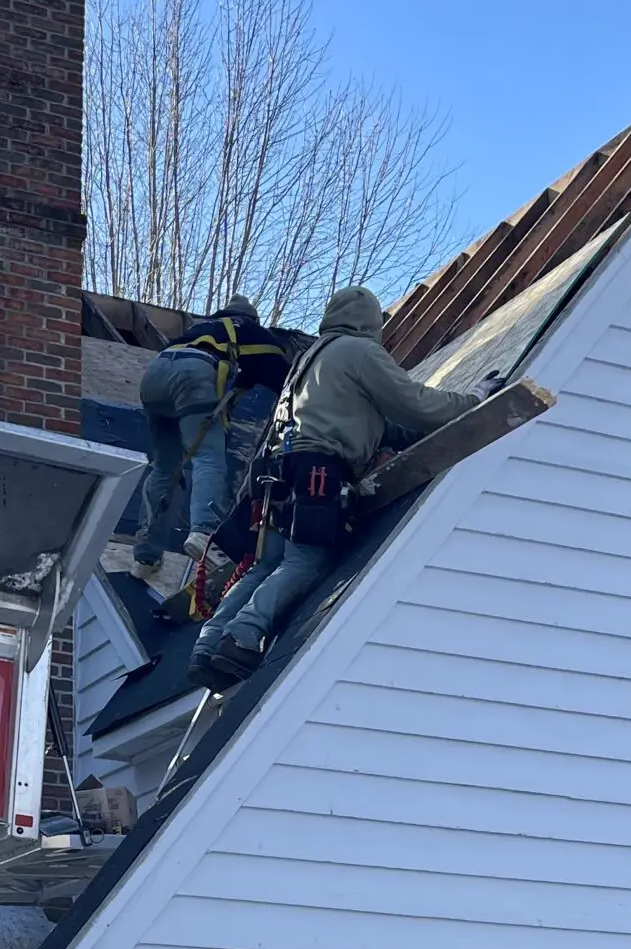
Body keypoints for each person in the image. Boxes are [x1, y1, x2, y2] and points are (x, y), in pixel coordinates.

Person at [188, 284, 480, 688]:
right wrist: (474, 401)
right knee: (305, 561)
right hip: (317, 471)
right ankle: (242, 636)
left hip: (277, 474)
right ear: (371, 323)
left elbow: (383, 426)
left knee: (266, 563)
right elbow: (418, 404)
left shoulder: (311, 359)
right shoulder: (360, 352)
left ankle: (208, 644)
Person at [131, 299, 294, 576]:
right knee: (208, 457)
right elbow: (282, 374)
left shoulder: (202, 328)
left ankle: (145, 556)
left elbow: (244, 372)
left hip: (154, 375)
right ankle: (203, 533)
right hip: (191, 375)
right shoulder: (250, 330)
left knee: (165, 466)